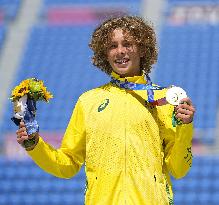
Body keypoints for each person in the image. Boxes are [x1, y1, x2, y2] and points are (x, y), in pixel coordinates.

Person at [16, 16, 195, 205]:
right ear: (105, 53)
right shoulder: (89, 101)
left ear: (142, 49)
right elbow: (67, 164)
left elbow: (179, 168)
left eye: (127, 44)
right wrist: (35, 146)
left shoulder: (164, 99)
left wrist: (185, 127)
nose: (120, 51)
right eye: (112, 46)